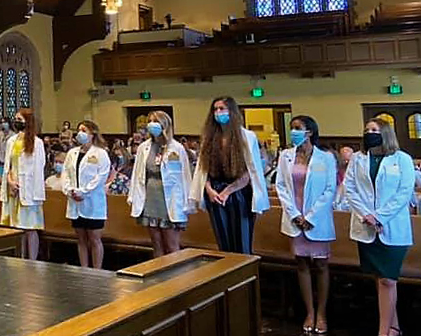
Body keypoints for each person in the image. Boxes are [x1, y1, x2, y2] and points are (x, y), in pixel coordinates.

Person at [344, 118, 414, 336]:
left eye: (374, 130)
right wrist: (367, 215)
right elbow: (349, 187)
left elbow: (404, 192)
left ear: (385, 133)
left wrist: (380, 217)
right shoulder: (358, 159)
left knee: (387, 279)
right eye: (367, 130)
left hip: (392, 227)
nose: (370, 133)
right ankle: (393, 327)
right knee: (380, 279)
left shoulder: (401, 159)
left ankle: (383, 332)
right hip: (367, 227)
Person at [275, 116, 337, 334]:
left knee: (320, 265)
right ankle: (309, 312)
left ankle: (321, 313)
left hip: (316, 220)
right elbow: (281, 186)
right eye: (292, 128)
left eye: (298, 129)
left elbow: (330, 189)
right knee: (301, 264)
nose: (294, 132)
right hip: (295, 219)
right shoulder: (286, 156)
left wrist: (310, 217)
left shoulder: (325, 158)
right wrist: (294, 214)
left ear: (310, 132)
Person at [189, 96, 269, 254]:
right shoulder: (209, 137)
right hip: (215, 192)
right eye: (215, 109)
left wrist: (228, 191)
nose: (218, 113)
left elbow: (251, 170)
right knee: (223, 245)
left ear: (232, 112)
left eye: (222, 109)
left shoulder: (246, 136)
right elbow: (202, 169)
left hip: (239, 191)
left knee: (242, 243)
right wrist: (209, 190)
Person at [129, 111, 192, 258]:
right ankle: (159, 276)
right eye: (149, 121)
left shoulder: (176, 148)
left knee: (171, 245)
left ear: (164, 124)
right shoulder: (143, 147)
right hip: (150, 198)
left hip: (169, 200)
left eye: (155, 121)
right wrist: (132, 196)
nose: (151, 124)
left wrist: (188, 202)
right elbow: (137, 174)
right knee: (156, 244)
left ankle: (177, 277)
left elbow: (185, 176)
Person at [62, 120, 111, 269]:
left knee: (94, 239)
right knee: (81, 239)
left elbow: (101, 176)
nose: (80, 133)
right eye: (79, 130)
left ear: (92, 134)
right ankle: (84, 268)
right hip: (75, 201)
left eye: (84, 130)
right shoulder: (72, 153)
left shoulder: (100, 153)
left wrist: (84, 191)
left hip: (93, 200)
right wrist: (69, 190)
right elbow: (66, 173)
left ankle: (97, 270)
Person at [0, 109, 46, 260]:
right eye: (15, 119)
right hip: (13, 189)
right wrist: (10, 182)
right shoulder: (12, 141)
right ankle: (19, 258)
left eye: (19, 119)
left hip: (29, 190)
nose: (16, 121)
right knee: (17, 228)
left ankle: (31, 259)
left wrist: (22, 184)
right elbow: (8, 165)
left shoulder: (37, 143)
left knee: (30, 228)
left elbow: (38, 168)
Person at [333, 145, 354, 211]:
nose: (346, 163)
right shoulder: (334, 171)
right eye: (344, 160)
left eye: (348, 160)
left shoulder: (354, 173)